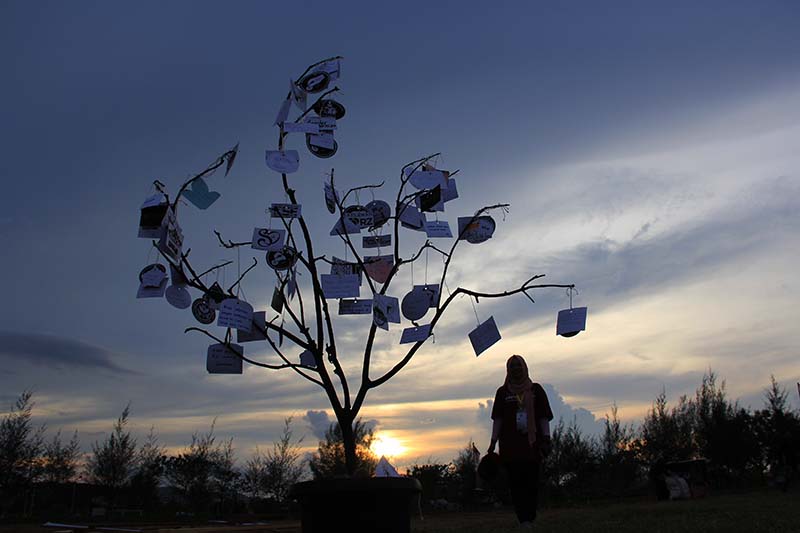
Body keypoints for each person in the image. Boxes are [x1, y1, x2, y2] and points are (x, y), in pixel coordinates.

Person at [488, 355, 554, 529]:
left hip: (532, 445)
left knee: (531, 482)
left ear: (525, 367)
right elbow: (498, 419)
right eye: (512, 366)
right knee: (515, 483)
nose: (516, 368)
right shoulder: (502, 393)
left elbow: (543, 417)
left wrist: (546, 438)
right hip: (510, 445)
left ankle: (530, 517)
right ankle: (523, 519)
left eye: (519, 365)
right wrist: (493, 442)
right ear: (508, 370)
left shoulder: (536, 390)